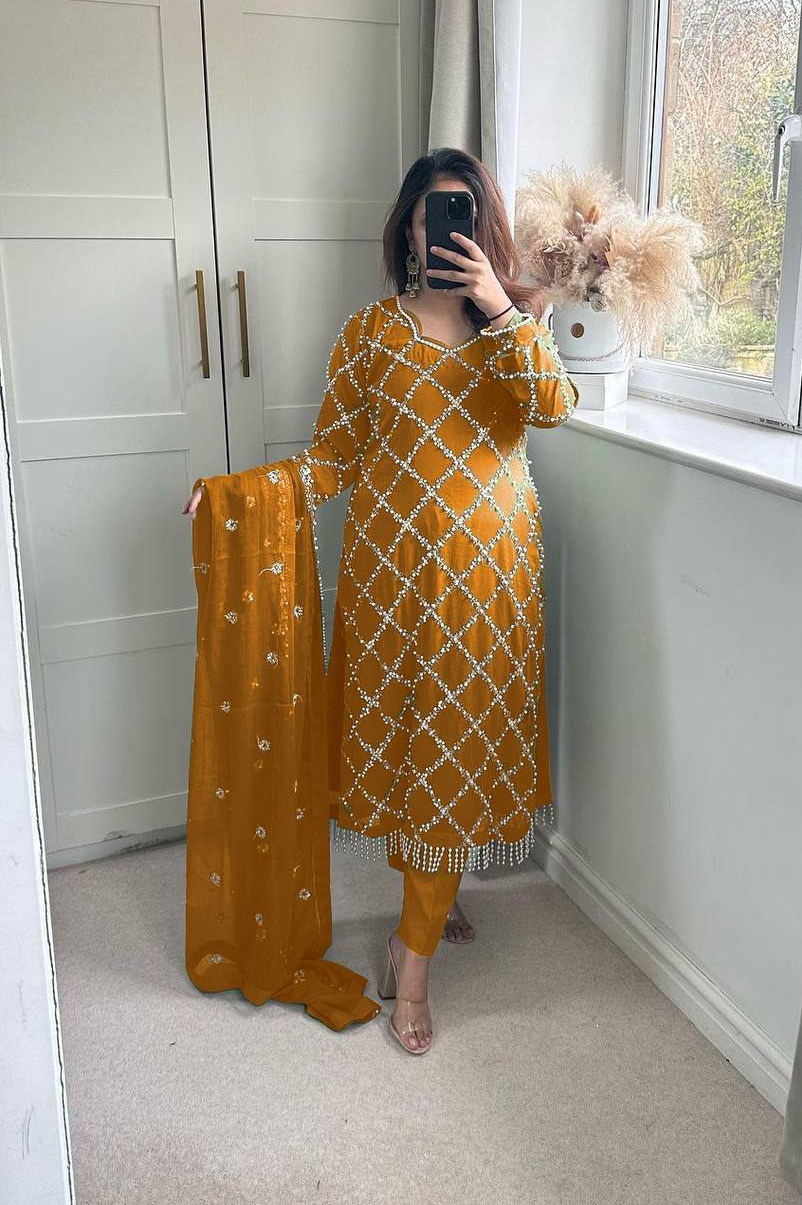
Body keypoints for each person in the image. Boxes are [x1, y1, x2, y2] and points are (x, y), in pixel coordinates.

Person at [183, 147, 578, 1053]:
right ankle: (429, 902)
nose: (445, 227)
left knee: (457, 747)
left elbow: (553, 407)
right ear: (407, 228)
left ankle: (415, 956)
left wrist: (498, 304)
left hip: (489, 583)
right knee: (412, 750)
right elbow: (333, 459)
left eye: (464, 211)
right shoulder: (369, 334)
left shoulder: (518, 324)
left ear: (486, 231)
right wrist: (239, 497)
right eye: (433, 212)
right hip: (390, 585)